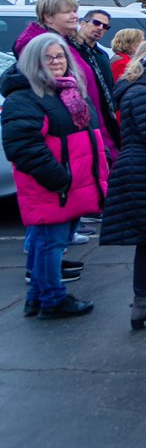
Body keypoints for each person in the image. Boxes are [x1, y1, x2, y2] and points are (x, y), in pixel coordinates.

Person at [2, 32, 108, 319]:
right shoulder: (25, 97)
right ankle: (52, 299)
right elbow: (22, 146)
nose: (56, 62)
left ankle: (37, 297)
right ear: (33, 62)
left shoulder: (68, 91)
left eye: (60, 56)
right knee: (50, 243)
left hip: (72, 184)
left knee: (46, 242)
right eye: (47, 57)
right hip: (53, 185)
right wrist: (60, 179)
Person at [99, 39, 146, 329]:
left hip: (140, 170)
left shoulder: (138, 89)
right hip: (145, 173)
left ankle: (144, 303)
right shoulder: (142, 92)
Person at [68, 9, 121, 160]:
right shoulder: (70, 52)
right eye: (97, 23)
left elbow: (110, 87)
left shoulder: (102, 55)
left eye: (105, 26)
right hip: (81, 119)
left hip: (106, 120)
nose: (100, 28)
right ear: (82, 23)